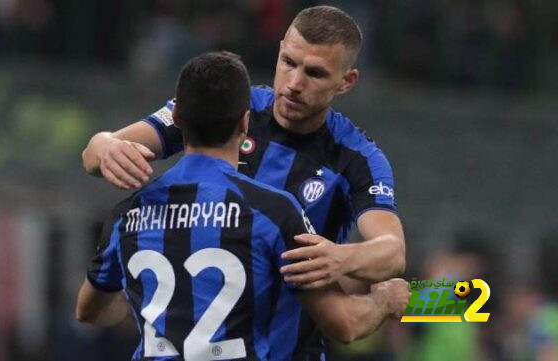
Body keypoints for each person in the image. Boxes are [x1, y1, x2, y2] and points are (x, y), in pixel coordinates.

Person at [81, 6, 406, 359]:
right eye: (289, 63)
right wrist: (107, 147)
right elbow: (97, 151)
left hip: (278, 335)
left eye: (314, 73)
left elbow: (391, 249)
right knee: (435, 295)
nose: (295, 84)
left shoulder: (355, 156)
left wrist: (341, 258)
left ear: (346, 81)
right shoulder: (231, 103)